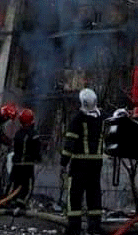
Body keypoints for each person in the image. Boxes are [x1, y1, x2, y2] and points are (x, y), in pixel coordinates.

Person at [61, 88, 105, 235]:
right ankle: (95, 227)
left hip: (79, 164)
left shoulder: (78, 118)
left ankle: (74, 228)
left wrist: (63, 162)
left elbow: (70, 143)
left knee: (75, 196)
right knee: (94, 194)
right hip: (96, 164)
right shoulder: (102, 118)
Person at [9, 107, 41, 209]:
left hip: (16, 165)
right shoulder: (34, 134)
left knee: (15, 184)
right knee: (27, 186)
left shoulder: (18, 134)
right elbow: (36, 150)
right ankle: (21, 205)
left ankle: (12, 203)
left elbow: (15, 148)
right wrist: (38, 158)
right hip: (27, 165)